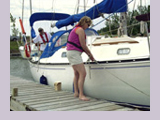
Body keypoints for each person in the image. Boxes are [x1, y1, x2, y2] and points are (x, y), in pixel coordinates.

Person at [66, 16, 95, 101]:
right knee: (83, 73)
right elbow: (83, 45)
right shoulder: (80, 30)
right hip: (74, 53)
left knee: (76, 73)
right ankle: (81, 95)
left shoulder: (75, 29)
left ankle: (76, 92)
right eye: (88, 25)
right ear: (84, 23)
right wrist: (90, 55)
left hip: (70, 52)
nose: (88, 27)